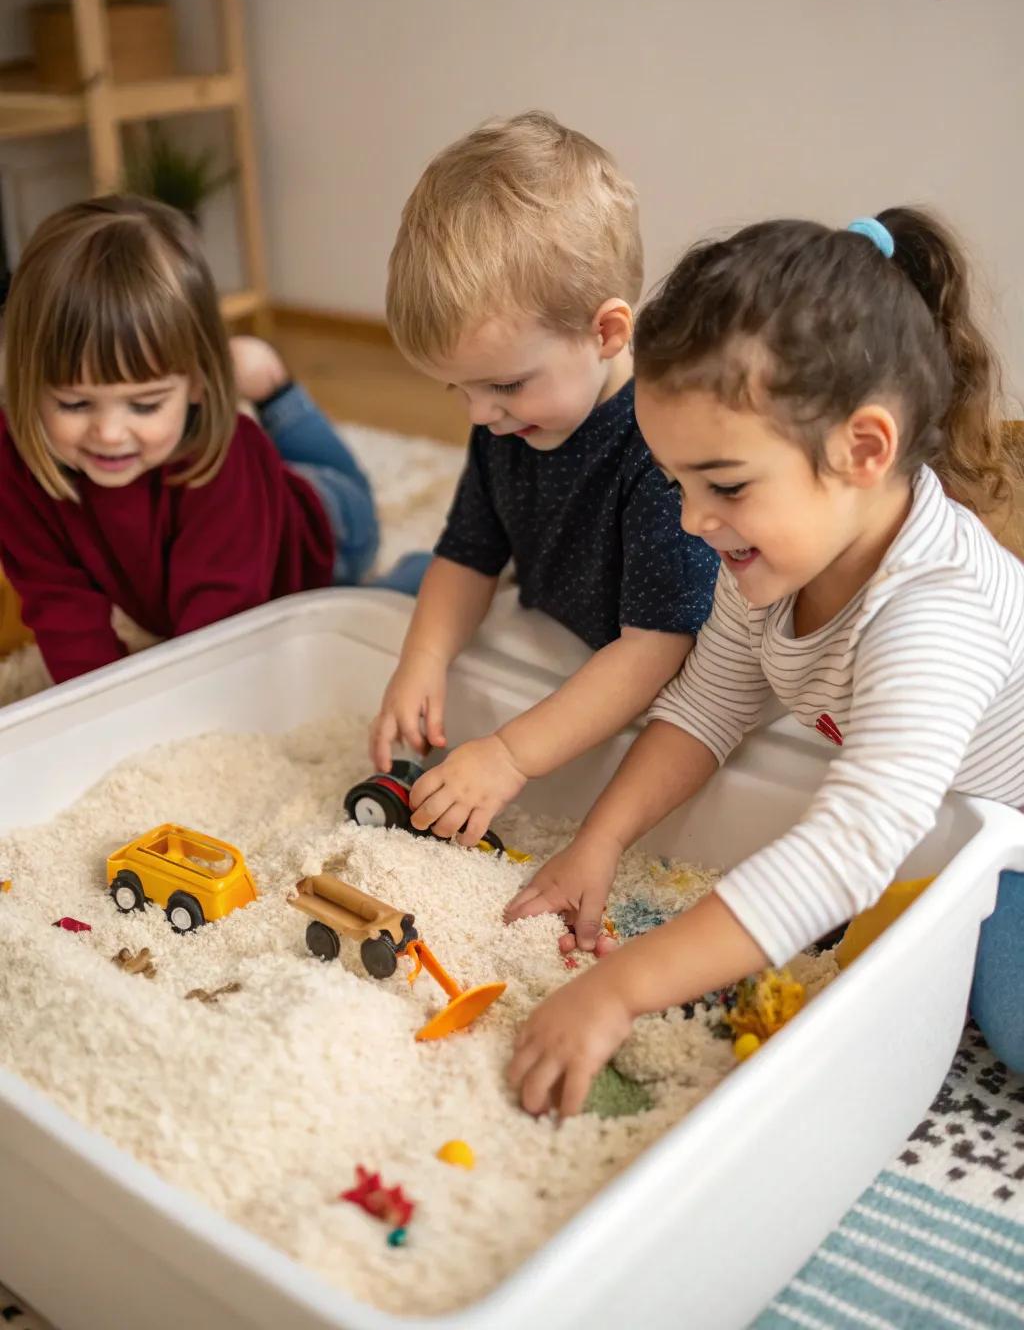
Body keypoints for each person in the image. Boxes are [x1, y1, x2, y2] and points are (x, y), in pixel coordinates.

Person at [506, 208, 1024, 1114]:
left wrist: (621, 988)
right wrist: (598, 841)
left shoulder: (937, 612)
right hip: (929, 816)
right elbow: (705, 710)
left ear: (864, 450)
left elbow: (849, 850)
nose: (691, 521)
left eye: (726, 485)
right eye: (676, 483)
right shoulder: (773, 560)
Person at [371, 112, 719, 841]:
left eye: (503, 386)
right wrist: (422, 659)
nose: (479, 415)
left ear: (607, 333)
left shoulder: (663, 449)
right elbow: (468, 551)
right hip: (553, 619)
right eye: (457, 391)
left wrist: (508, 754)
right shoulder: (506, 417)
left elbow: (657, 647)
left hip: (653, 662)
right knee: (399, 598)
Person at [0, 195, 423, 685]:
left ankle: (275, 391)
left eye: (145, 404)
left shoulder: (225, 460)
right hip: (247, 502)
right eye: (74, 404)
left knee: (381, 596)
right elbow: (59, 603)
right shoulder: (14, 465)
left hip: (328, 532)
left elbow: (218, 645)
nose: (110, 434)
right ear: (27, 380)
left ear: (199, 381)